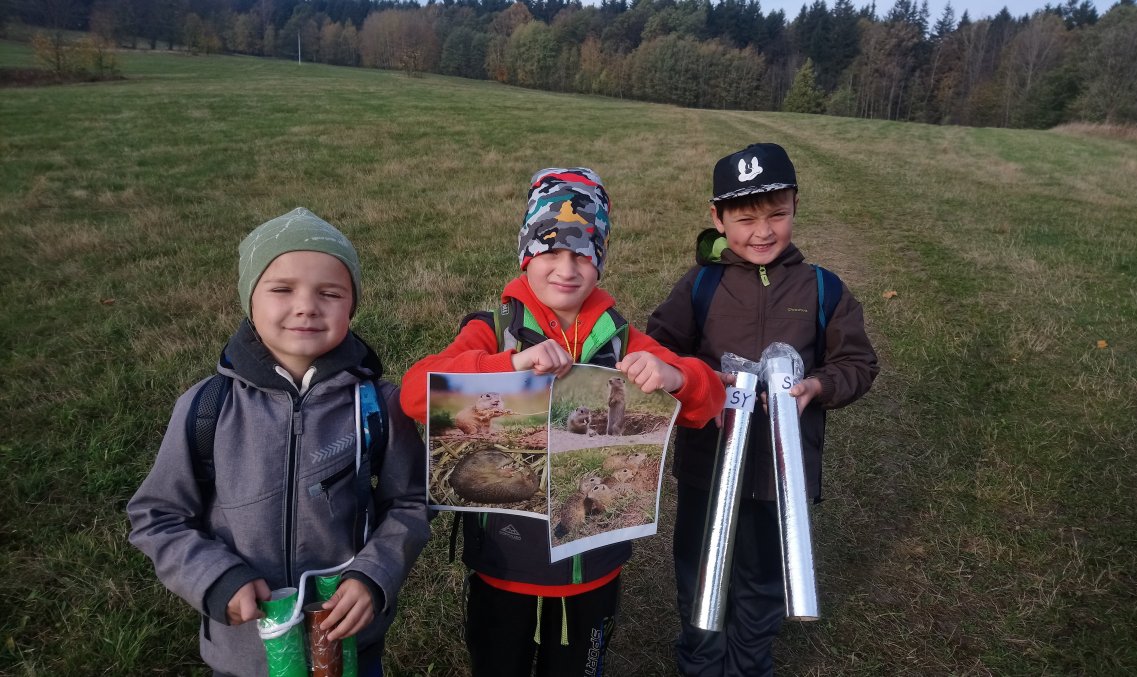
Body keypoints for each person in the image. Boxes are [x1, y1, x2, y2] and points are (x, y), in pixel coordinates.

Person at [399, 168, 725, 677]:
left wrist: (677, 375)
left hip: (592, 571)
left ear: (600, 260)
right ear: (526, 255)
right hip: (503, 567)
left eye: (583, 255)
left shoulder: (622, 339)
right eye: (550, 251)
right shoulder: (493, 331)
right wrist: (507, 366)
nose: (566, 269)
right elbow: (414, 393)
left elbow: (709, 402)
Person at [128, 208, 431, 677]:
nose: (307, 306)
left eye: (330, 293)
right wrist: (215, 578)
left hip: (346, 644)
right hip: (243, 653)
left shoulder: (379, 405)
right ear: (249, 300)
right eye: (282, 289)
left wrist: (374, 574)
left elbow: (411, 502)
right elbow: (157, 515)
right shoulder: (206, 407)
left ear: (352, 306)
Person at [646, 143, 880, 676]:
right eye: (745, 219)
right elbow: (661, 349)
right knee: (701, 574)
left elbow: (858, 363)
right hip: (708, 468)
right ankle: (701, 662)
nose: (763, 232)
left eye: (777, 214)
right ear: (718, 219)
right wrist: (695, 380)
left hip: (783, 476)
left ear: (796, 206)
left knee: (764, 581)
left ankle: (750, 663)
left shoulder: (823, 289)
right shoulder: (701, 285)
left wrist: (818, 386)